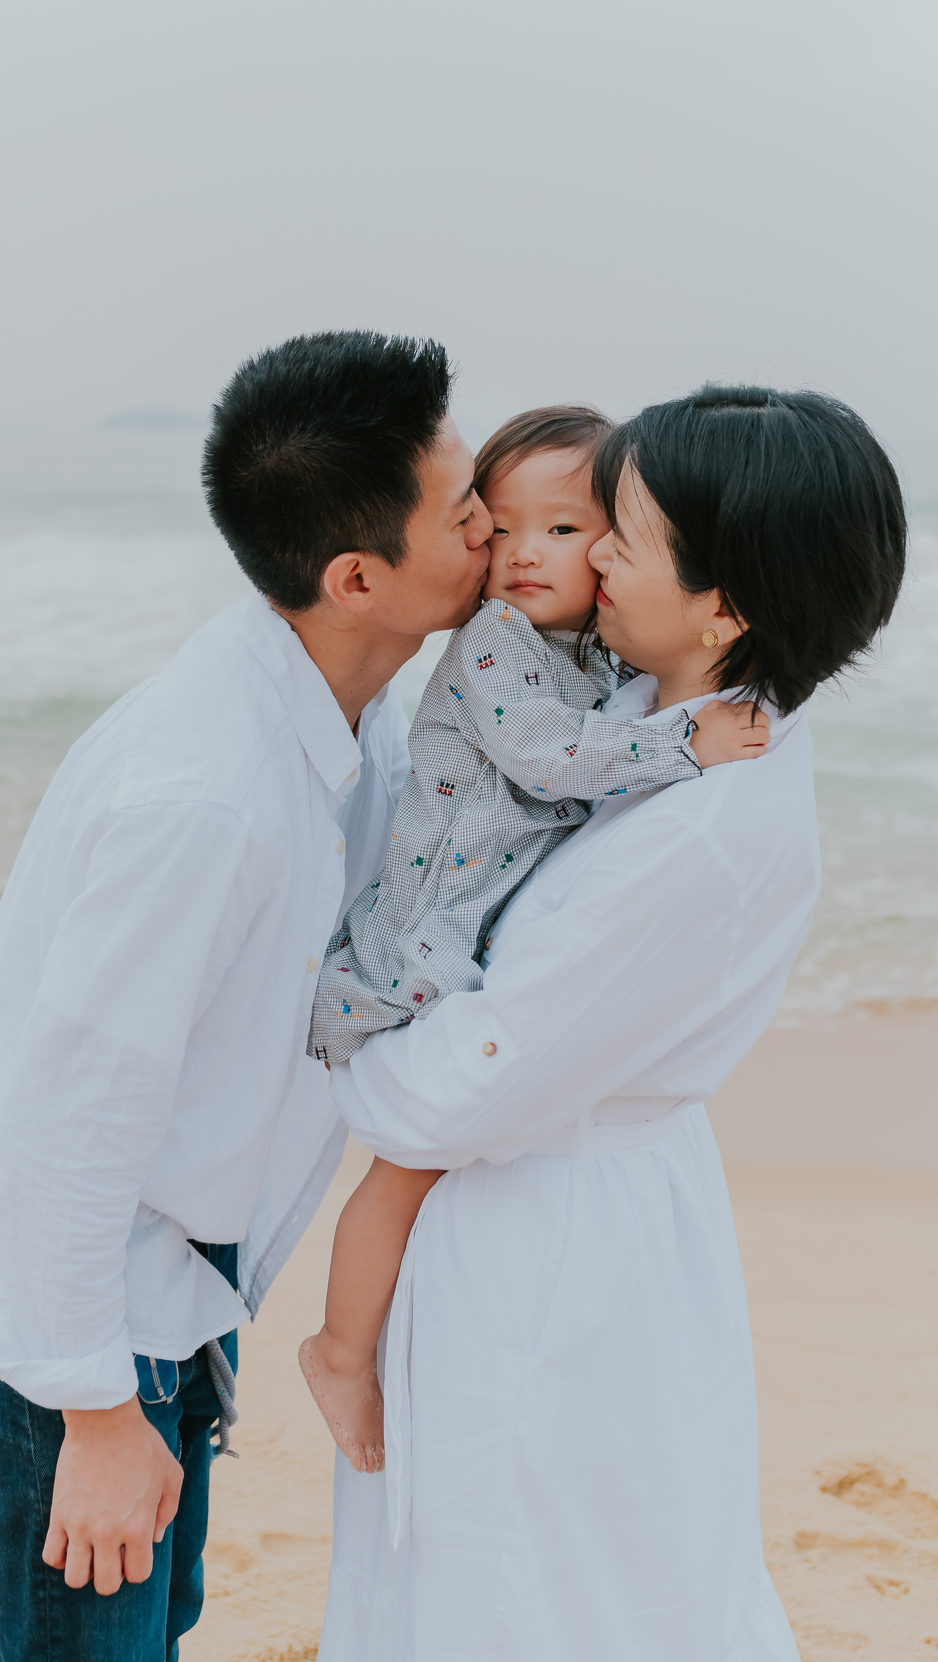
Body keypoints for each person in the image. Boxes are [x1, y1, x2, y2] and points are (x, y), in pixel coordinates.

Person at [0, 330, 493, 1661]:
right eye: (462, 510)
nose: (496, 524)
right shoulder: (204, 792)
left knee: (151, 1623)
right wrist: (96, 1413)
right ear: (358, 576)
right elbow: (69, 1116)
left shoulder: (353, 711)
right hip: (72, 1328)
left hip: (172, 1297)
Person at [317, 385, 907, 1661]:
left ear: (725, 604)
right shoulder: (667, 721)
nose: (591, 561)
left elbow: (461, 1091)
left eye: (622, 537)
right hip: (575, 1207)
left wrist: (352, 1078)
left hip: (553, 1241)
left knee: (534, 1589)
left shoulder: (697, 825)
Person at [300, 406, 769, 1471]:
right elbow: (554, 757)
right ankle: (337, 1346)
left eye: (564, 529)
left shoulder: (594, 657)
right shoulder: (496, 647)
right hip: (420, 940)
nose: (524, 554)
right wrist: (686, 742)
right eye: (497, 526)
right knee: (406, 1164)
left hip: (471, 930)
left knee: (435, 1162)